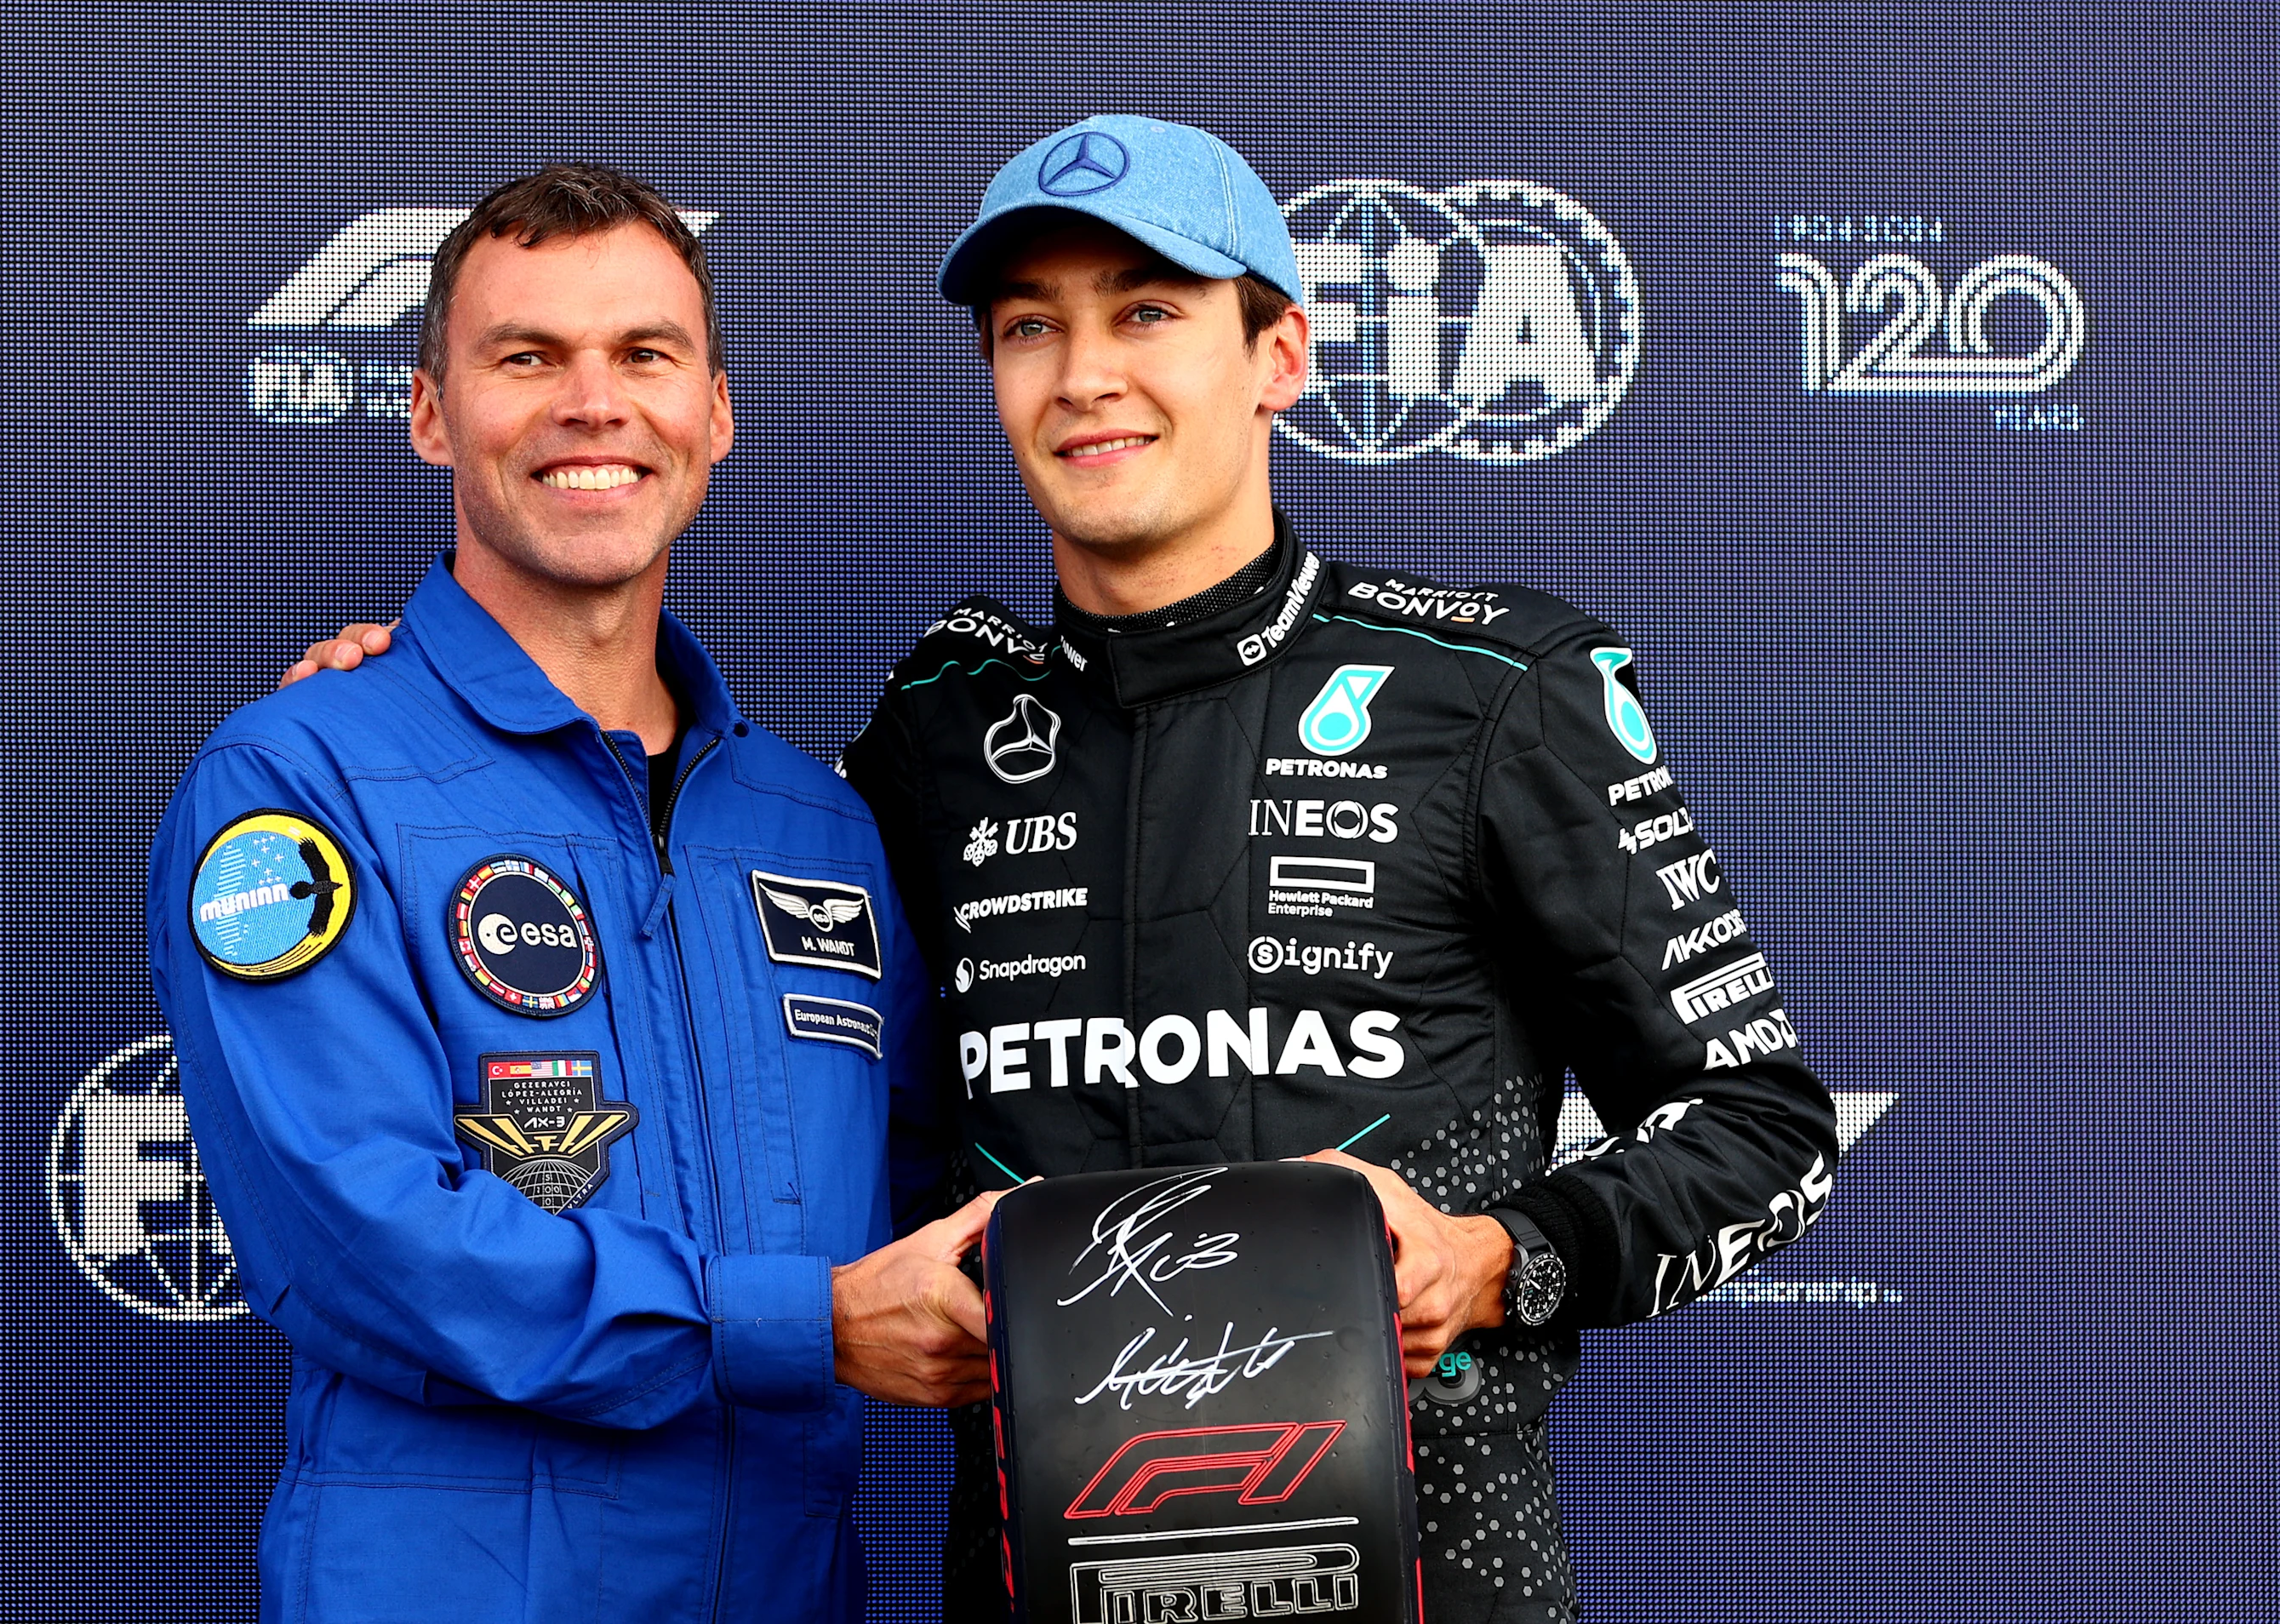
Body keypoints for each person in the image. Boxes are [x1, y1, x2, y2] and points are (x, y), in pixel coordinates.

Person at [284, 121, 1843, 1624]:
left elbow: (1766, 1128)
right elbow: (745, 1040)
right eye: (1033, 326)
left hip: (1424, 1583)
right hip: (1034, 1586)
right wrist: (418, 711)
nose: (1088, 374)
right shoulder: (929, 736)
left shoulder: (1492, 689)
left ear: (1280, 357)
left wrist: (1500, 1259)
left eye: (1150, 312)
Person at [152, 163, 997, 1624]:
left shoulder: (820, 830)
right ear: (429, 413)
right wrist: (801, 1327)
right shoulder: (302, 785)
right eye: (527, 356)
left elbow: (947, 1183)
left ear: (714, 416)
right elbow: (360, 1238)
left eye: (644, 355)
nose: (592, 404)